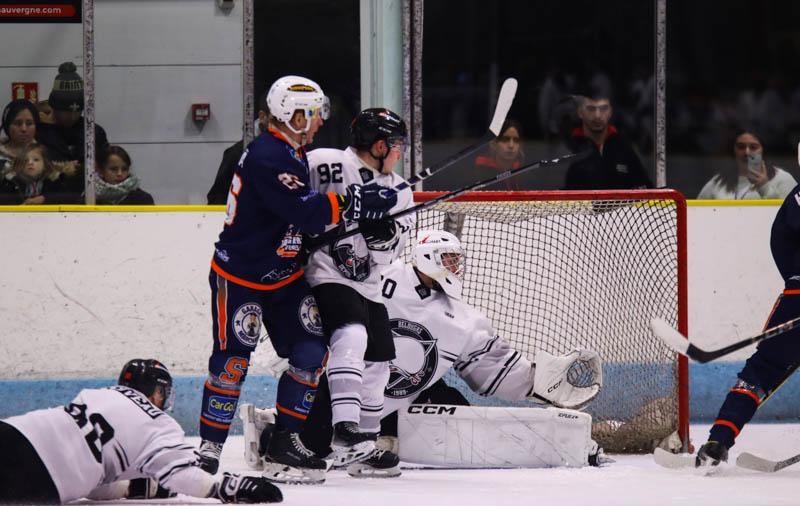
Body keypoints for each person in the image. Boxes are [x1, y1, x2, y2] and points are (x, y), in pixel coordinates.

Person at [243, 230, 604, 479]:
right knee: (314, 445)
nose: (456, 267)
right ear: (427, 258)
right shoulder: (380, 276)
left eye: (457, 260)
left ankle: (370, 444)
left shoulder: (465, 319)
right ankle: (272, 428)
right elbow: (331, 295)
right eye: (449, 259)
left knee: (461, 417)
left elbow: (494, 368)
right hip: (344, 392)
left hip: (402, 402)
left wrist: (539, 381)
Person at [196, 75, 398, 483]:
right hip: (241, 277)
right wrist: (356, 202)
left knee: (310, 351)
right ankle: (209, 449)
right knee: (232, 362)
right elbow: (304, 211)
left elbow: (299, 220)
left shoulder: (293, 151)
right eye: (314, 113)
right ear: (294, 115)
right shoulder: (268, 154)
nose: (320, 120)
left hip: (285, 277)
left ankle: (285, 443)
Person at [0, 359, 282, 505]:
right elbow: (181, 474)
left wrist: (131, 487)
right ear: (157, 391)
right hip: (40, 477)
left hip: (16, 430)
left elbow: (93, 476)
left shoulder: (97, 394)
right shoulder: (158, 423)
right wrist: (223, 487)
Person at [303, 108, 415, 469]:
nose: (400, 152)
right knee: (352, 336)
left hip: (368, 284)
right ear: (379, 145)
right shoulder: (325, 163)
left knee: (380, 362)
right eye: (396, 144)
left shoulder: (400, 190)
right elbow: (292, 201)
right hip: (325, 273)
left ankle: (363, 445)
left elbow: (392, 250)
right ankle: (345, 430)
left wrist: (381, 234)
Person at [695, 182, 800, 467]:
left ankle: (719, 440)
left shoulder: (795, 196)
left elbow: (779, 239)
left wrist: (795, 279)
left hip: (796, 298)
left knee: (760, 372)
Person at [36, 62, 110, 198]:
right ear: (54, 107)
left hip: (86, 199)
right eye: (65, 111)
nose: (72, 116)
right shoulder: (39, 132)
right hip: (48, 200)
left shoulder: (93, 132)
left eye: (77, 111)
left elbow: (108, 168)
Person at [563, 90, 652, 190]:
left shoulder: (623, 148)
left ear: (610, 112)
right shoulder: (568, 149)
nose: (597, 115)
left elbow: (645, 187)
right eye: (591, 109)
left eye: (603, 109)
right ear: (580, 112)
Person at [206, 90, 271, 205]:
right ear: (262, 117)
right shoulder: (237, 153)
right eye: (279, 119)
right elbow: (217, 198)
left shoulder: (298, 152)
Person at [697, 130, 796, 199]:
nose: (746, 152)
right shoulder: (718, 181)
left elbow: (793, 215)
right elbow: (697, 212)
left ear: (763, 151)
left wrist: (764, 187)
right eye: (741, 147)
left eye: (753, 147)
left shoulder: (782, 179)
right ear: (734, 151)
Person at [0, 144, 72, 205]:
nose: (30, 163)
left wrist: (44, 198)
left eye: (36, 160)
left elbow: (68, 197)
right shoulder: (12, 182)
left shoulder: (52, 182)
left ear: (45, 165)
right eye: (25, 160)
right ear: (19, 165)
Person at [473, 118, 525, 190]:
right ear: (493, 144)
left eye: (516, 140)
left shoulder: (525, 172)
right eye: (505, 139)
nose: (511, 145)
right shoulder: (480, 174)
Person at [0, 99, 40, 182]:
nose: (24, 129)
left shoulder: (43, 153)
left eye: (29, 123)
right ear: (7, 125)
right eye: (17, 123)